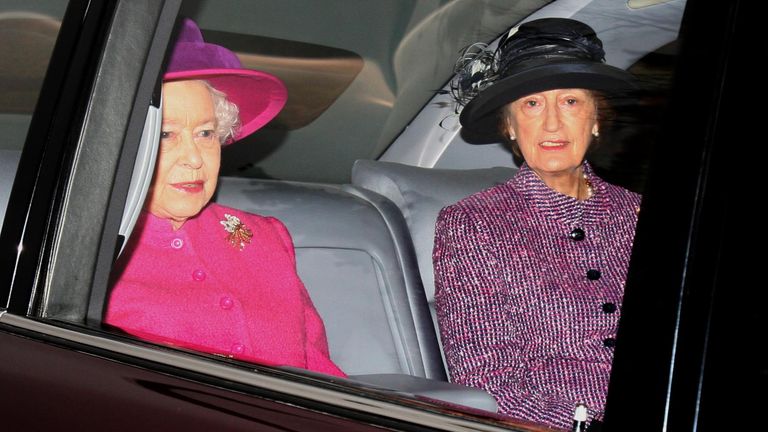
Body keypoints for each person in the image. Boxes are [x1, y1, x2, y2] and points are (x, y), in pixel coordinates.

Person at [105, 18, 345, 378]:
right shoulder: (87, 254)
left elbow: (322, 375)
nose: (194, 158)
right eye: (167, 134)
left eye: (205, 133)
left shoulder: (265, 237)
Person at [433, 18, 641, 429]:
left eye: (570, 102)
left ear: (596, 118)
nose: (551, 124)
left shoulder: (637, 212)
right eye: (532, 104)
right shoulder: (472, 225)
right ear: (509, 126)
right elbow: (488, 382)